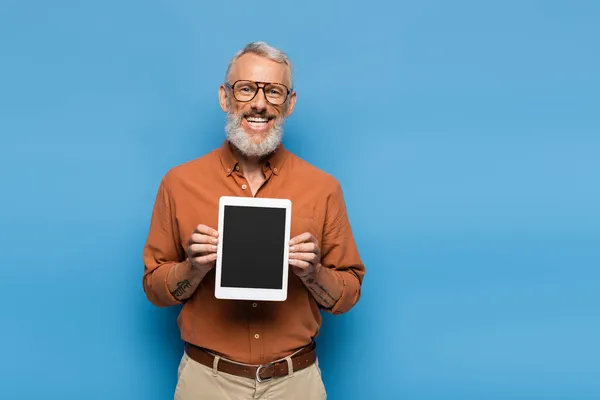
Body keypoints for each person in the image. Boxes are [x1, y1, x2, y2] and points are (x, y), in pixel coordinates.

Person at [142, 41, 365, 399]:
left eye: (273, 91)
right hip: (207, 382)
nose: (259, 104)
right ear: (225, 97)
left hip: (295, 383)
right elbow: (154, 289)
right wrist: (193, 269)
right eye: (246, 89)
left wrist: (313, 274)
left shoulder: (323, 188)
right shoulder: (179, 183)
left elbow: (348, 294)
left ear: (289, 103)